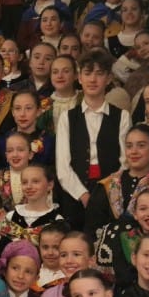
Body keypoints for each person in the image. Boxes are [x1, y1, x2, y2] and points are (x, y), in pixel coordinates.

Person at [55, 51, 132, 217]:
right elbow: (63, 166)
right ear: (79, 78)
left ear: (109, 78)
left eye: (99, 74)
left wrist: (110, 190)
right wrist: (82, 195)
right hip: (74, 194)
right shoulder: (67, 117)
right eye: (87, 73)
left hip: (112, 194)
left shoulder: (122, 117)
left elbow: (126, 160)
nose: (93, 79)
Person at [84, 125, 149, 238]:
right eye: (129, 146)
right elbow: (91, 230)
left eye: (141, 145)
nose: (134, 151)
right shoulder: (107, 185)